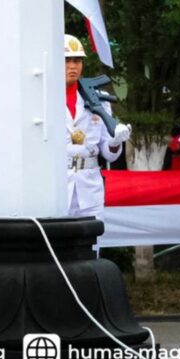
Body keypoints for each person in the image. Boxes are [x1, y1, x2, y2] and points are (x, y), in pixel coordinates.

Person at [62, 34, 130, 221]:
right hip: (58, 184)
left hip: (89, 184)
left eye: (77, 61)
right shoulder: (43, 98)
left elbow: (108, 152)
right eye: (67, 60)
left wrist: (115, 142)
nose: (73, 66)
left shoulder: (97, 98)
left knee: (92, 246)